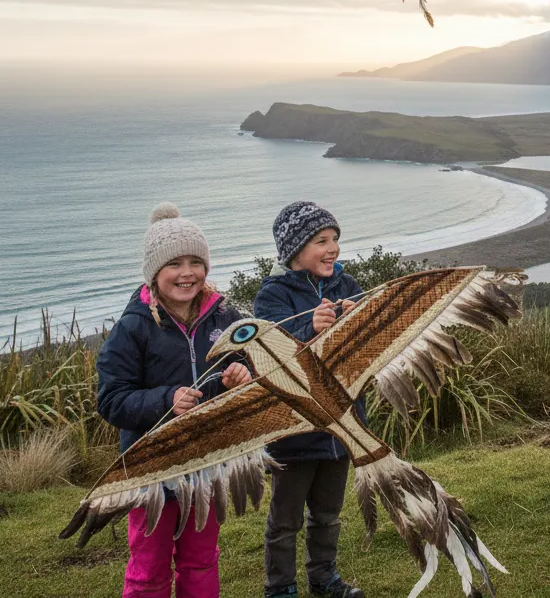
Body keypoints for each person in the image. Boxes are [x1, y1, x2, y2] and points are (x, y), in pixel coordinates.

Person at [97, 203, 252, 598]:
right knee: (149, 567)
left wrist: (241, 374)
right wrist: (166, 399)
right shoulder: (133, 328)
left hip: (206, 463)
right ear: (154, 272)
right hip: (152, 469)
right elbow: (112, 400)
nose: (188, 273)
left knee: (201, 560)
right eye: (175, 264)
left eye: (196, 262)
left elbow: (242, 359)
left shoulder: (222, 315)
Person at [253, 201, 365, 598]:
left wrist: (358, 318)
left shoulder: (347, 286)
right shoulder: (272, 295)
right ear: (295, 250)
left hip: (340, 426)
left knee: (328, 514)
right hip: (294, 428)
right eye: (322, 240)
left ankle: (324, 579)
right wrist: (307, 327)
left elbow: (368, 345)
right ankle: (280, 588)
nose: (333, 247)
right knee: (285, 520)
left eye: (335, 238)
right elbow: (268, 349)